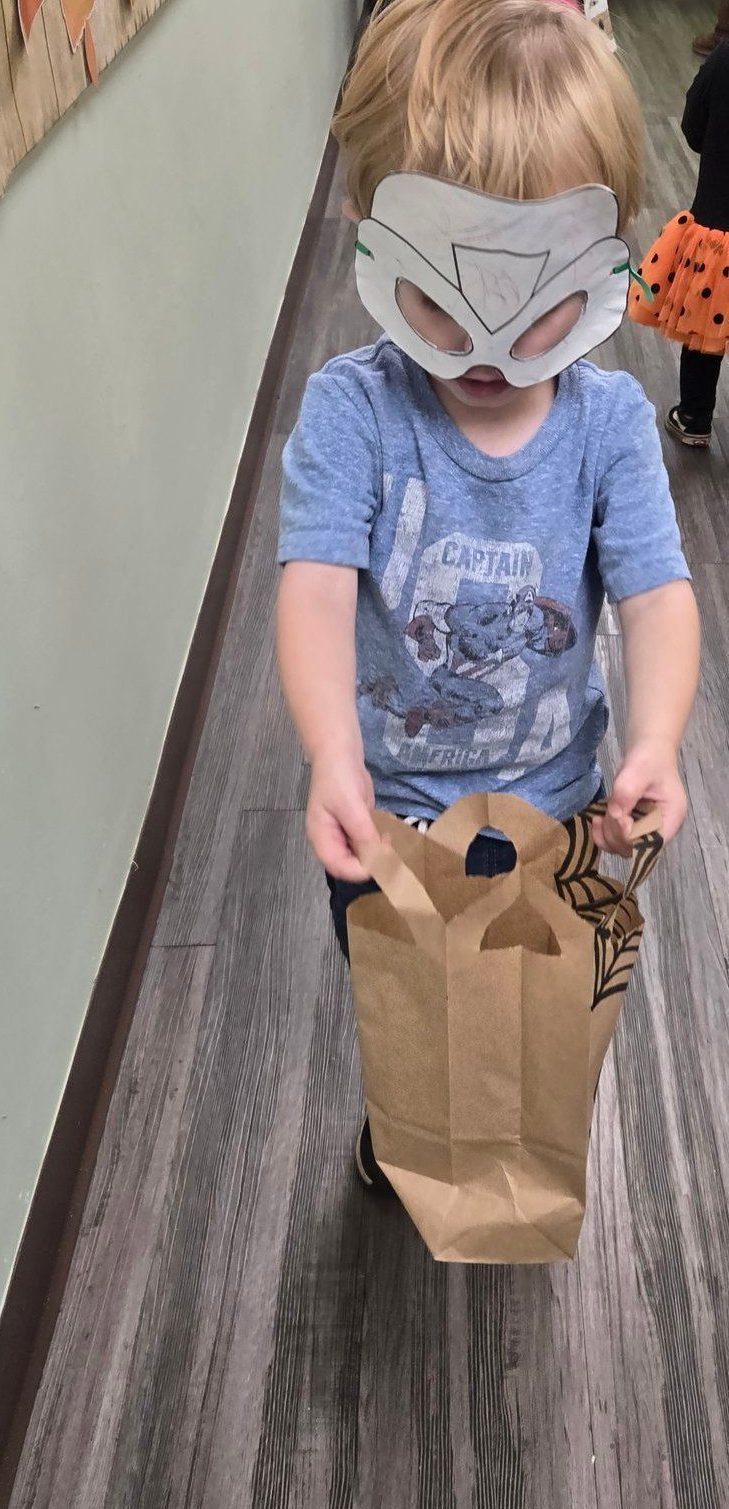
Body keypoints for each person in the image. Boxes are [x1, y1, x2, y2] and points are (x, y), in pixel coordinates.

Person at [276, 0, 700, 1192]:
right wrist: (329, 750)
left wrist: (657, 739)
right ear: (371, 239)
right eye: (440, 304)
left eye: (533, 304)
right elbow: (312, 586)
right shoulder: (355, 414)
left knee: (527, 1003)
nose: (479, 345)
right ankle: (408, 1129)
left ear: (601, 263)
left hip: (558, 805)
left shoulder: (608, 423)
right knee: (409, 1008)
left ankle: (504, 1125)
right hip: (388, 812)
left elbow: (658, 593)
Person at [629, 43, 729, 448]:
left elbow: (692, 125)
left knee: (705, 321)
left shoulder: (724, 58)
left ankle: (694, 417)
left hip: (720, 224)